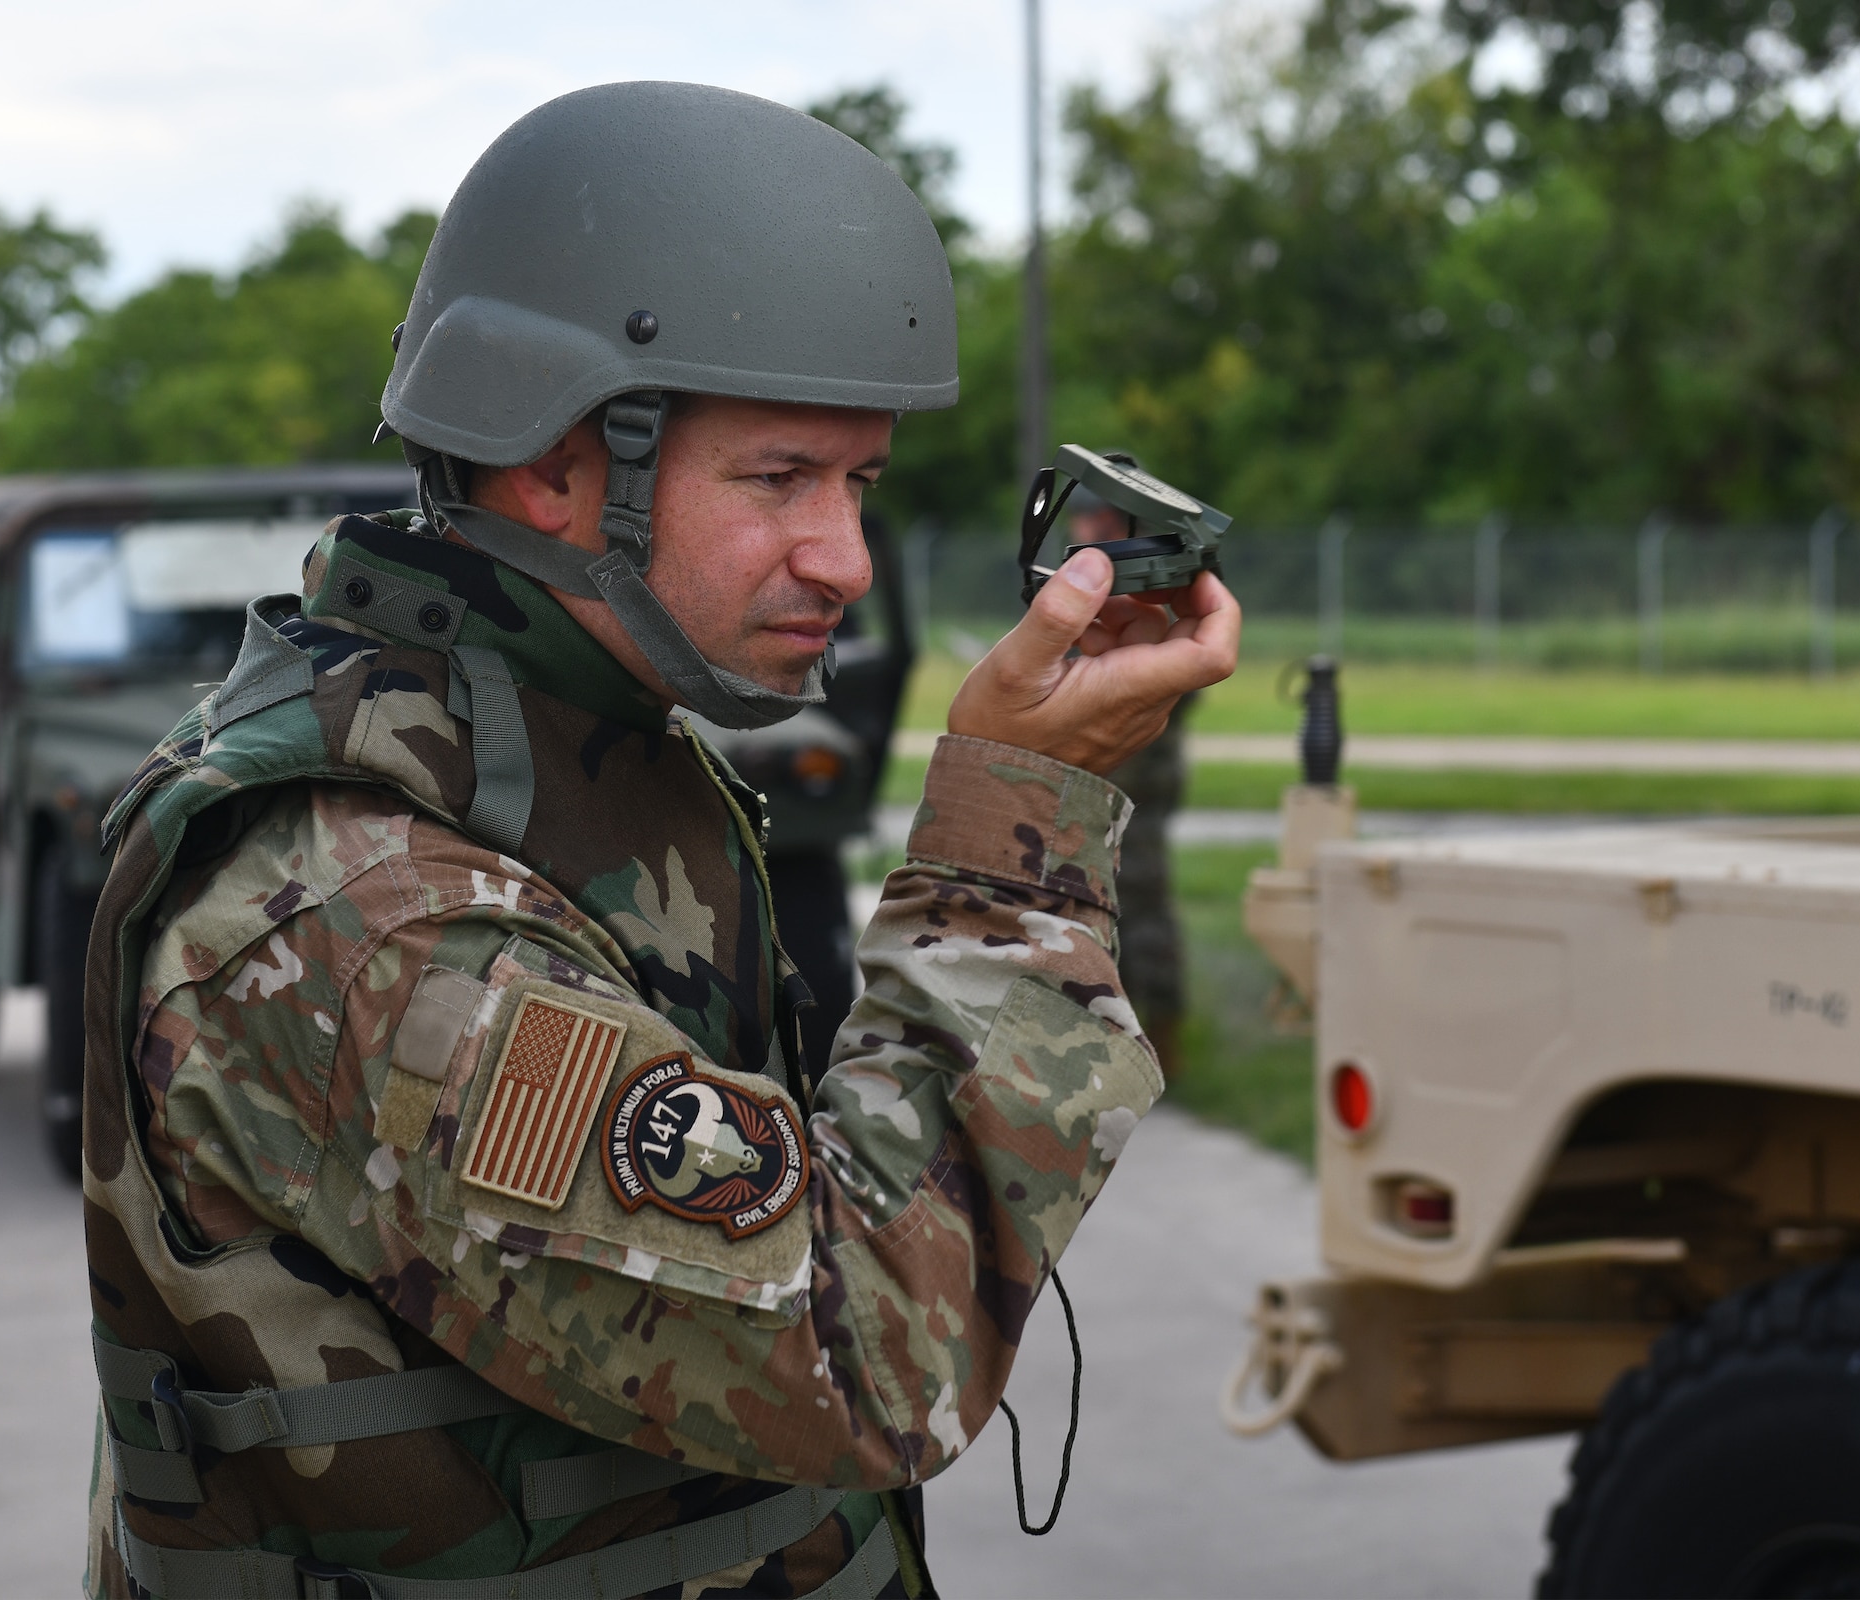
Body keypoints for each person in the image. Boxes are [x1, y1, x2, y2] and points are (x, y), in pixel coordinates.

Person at [80, 82, 1239, 1599]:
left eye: (859, 484)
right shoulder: (362, 913)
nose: (842, 557)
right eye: (778, 479)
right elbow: (867, 1350)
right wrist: (1010, 835)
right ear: (555, 467)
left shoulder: (559, 750)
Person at [1063, 485, 1196, 1074]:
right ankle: (1116, 1039)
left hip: (1137, 766)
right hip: (1111, 761)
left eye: (1088, 521)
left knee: (1137, 896)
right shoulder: (1116, 575)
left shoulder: (1147, 574)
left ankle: (1161, 1044)